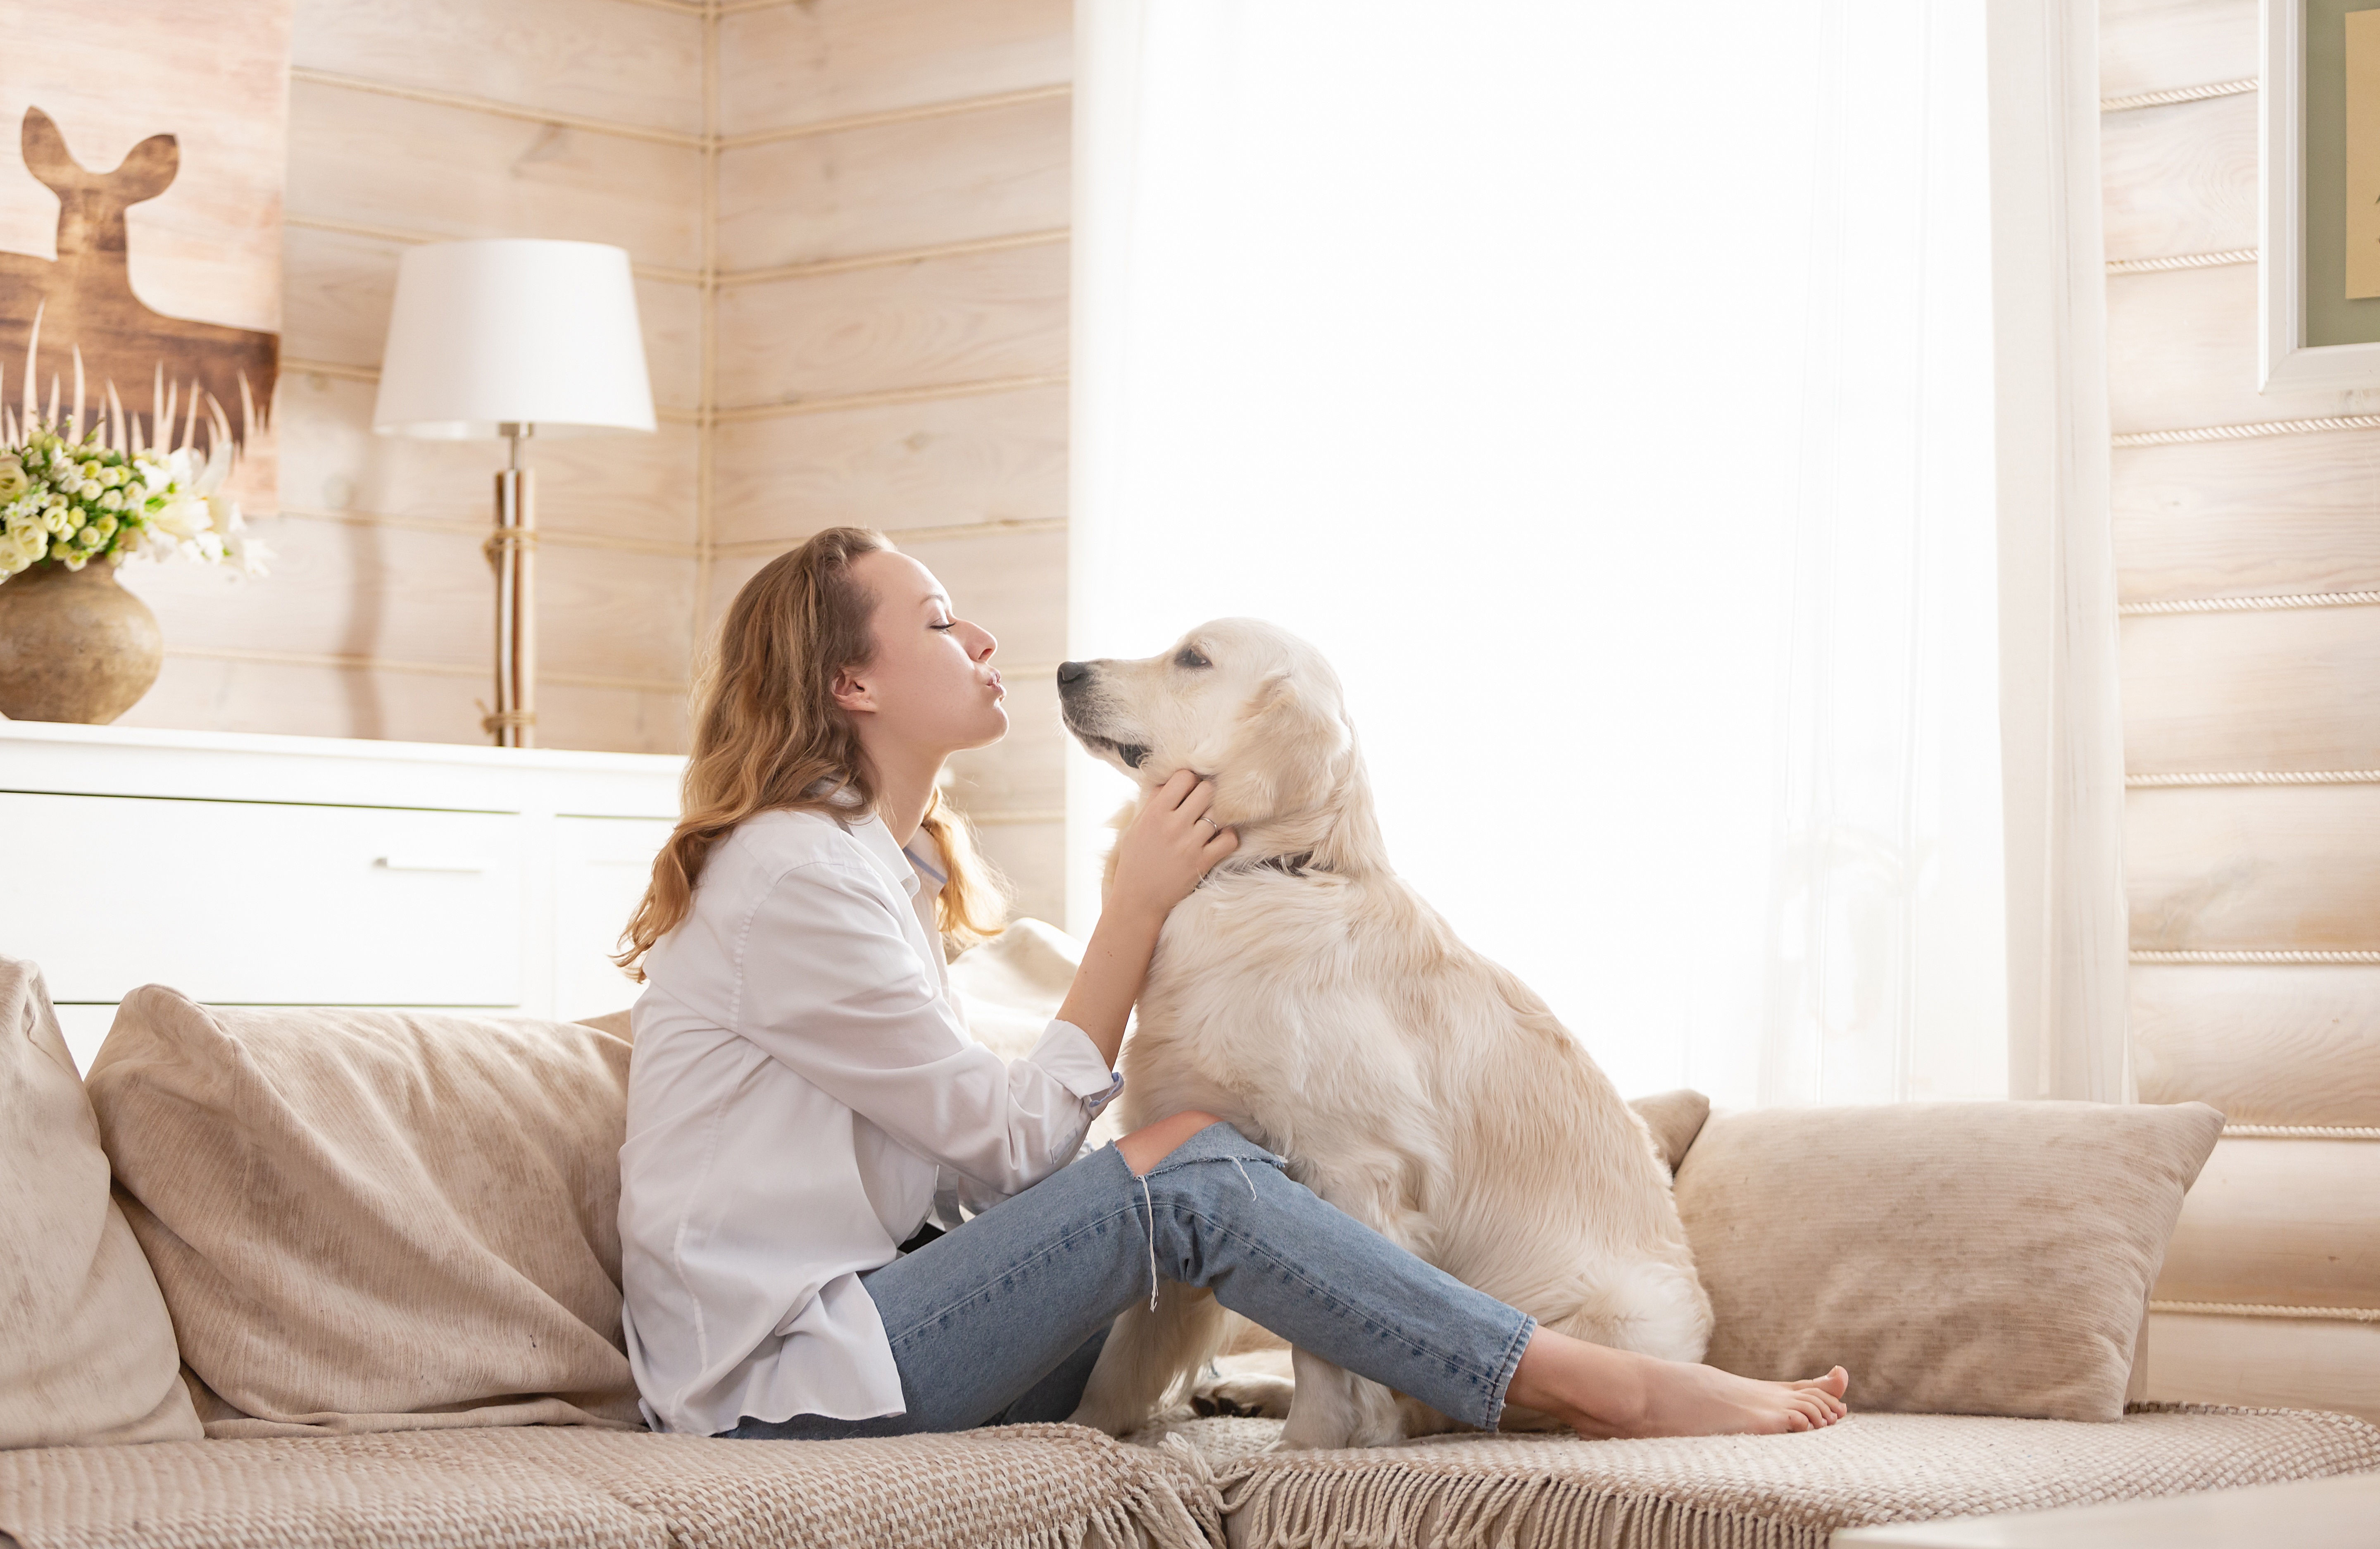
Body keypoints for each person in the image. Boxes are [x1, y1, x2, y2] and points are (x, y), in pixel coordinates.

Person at [614, 526, 1849, 1443]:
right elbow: (1006, 1152)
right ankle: (1601, 1383)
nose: (985, 640)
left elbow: (959, 1166)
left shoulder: (879, 869)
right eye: (940, 622)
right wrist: (1134, 912)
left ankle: (1478, 1376)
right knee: (1196, 1161)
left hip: (885, 1333)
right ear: (852, 685)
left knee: (1221, 1166)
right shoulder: (791, 874)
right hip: (783, 1389)